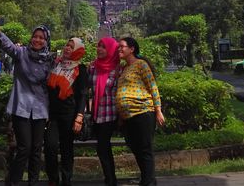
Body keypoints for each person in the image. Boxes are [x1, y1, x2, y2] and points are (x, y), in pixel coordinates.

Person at [0, 24, 52, 186]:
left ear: (46, 41)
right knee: (24, 148)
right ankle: (14, 182)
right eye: (35, 36)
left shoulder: (49, 60)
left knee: (36, 150)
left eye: (41, 38)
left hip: (40, 109)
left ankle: (33, 182)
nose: (37, 40)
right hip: (21, 107)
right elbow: (9, 47)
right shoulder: (21, 54)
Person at [116, 37, 164, 186]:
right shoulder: (124, 68)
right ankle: (148, 180)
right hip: (128, 117)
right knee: (136, 148)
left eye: (122, 46)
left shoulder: (141, 64)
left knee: (145, 149)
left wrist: (158, 110)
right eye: (118, 47)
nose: (119, 49)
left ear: (132, 49)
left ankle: (147, 182)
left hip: (143, 112)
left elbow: (152, 86)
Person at [44, 38, 87, 186]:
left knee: (66, 149)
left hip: (70, 115)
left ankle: (66, 180)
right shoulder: (56, 65)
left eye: (71, 46)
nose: (67, 48)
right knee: (50, 147)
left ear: (77, 50)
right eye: (67, 45)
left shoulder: (80, 69)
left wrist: (79, 117)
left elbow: (82, 95)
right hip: (53, 115)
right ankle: (53, 179)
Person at [88, 37, 121, 186]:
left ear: (111, 50)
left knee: (102, 147)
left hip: (110, 114)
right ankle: (111, 179)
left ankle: (110, 180)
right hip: (97, 114)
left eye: (103, 47)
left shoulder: (118, 69)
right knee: (104, 148)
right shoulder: (93, 67)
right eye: (98, 46)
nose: (99, 49)